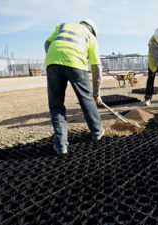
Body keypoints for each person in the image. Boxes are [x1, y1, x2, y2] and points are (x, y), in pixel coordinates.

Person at [44, 19, 104, 154]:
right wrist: (96, 93)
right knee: (86, 99)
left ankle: (60, 145)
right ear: (93, 31)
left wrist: (55, 57)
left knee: (56, 105)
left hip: (53, 62)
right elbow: (96, 67)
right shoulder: (91, 37)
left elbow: (47, 43)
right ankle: (97, 131)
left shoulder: (63, 26)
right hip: (76, 63)